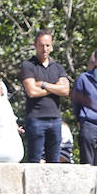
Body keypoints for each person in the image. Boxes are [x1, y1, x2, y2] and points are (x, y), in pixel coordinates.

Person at [19, 30, 70, 164]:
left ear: (52, 46)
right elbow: (32, 92)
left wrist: (43, 84)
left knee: (54, 161)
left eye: (47, 45)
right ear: (35, 45)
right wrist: (54, 88)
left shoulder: (58, 68)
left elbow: (65, 91)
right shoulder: (28, 66)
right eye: (41, 45)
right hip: (36, 119)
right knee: (35, 160)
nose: (45, 49)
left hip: (55, 120)